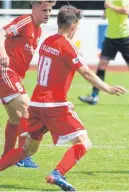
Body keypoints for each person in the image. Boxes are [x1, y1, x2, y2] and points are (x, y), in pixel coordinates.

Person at [0, 5, 126, 191]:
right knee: (84, 142)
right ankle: (58, 173)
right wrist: (107, 88)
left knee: (28, 149)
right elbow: (87, 74)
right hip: (54, 105)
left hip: (36, 104)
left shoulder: (46, 41)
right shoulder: (69, 47)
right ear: (74, 27)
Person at [0, 0, 56, 168]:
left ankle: (7, 156)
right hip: (5, 72)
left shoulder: (38, 30)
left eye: (50, 10)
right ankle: (22, 156)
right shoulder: (25, 21)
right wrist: (2, 53)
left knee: (15, 118)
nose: (47, 13)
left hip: (14, 76)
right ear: (34, 8)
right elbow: (1, 32)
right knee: (27, 109)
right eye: (44, 9)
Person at [79, 0, 129, 105]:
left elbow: (126, 11)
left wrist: (110, 6)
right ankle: (94, 96)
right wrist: (105, 12)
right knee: (102, 65)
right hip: (110, 36)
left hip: (124, 37)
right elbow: (105, 15)